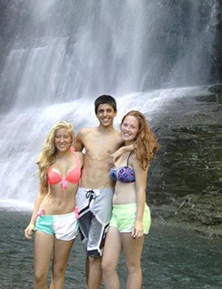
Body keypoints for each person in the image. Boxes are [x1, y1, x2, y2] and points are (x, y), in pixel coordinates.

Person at [102, 110, 159, 289]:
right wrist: (123, 148)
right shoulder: (123, 151)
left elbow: (141, 189)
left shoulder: (138, 154)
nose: (127, 129)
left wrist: (139, 221)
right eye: (125, 124)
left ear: (138, 130)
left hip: (132, 212)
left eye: (132, 127)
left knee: (132, 266)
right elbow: (110, 162)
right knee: (107, 265)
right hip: (117, 214)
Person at [74, 95, 125, 289]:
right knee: (90, 248)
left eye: (108, 111)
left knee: (95, 251)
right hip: (82, 193)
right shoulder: (84, 134)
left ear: (115, 112)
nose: (105, 115)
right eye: (101, 111)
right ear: (96, 113)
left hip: (105, 195)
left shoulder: (120, 138)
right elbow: (75, 154)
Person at [25, 121, 83, 289]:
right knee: (39, 275)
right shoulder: (46, 159)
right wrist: (32, 221)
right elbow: (42, 192)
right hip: (46, 219)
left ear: (71, 138)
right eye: (58, 137)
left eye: (65, 136)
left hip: (68, 220)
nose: (62, 140)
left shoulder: (80, 158)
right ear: (53, 138)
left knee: (58, 272)